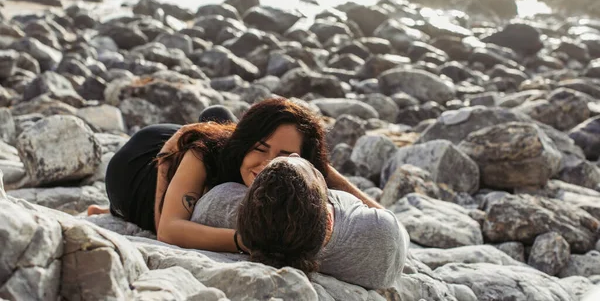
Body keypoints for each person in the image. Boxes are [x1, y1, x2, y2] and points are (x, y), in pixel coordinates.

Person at [91, 97, 382, 253]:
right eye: (260, 148)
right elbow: (169, 230)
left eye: (285, 156)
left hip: (216, 140)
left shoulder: (303, 168)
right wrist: (247, 241)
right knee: (207, 137)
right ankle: (113, 209)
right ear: (245, 145)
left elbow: (378, 215)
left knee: (218, 114)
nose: (269, 164)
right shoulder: (203, 153)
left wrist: (321, 170)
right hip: (134, 169)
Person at [193, 155, 409, 288]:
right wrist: (330, 174)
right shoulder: (380, 235)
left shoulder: (220, 204)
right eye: (312, 171)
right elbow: (401, 231)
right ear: (328, 221)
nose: (296, 154)